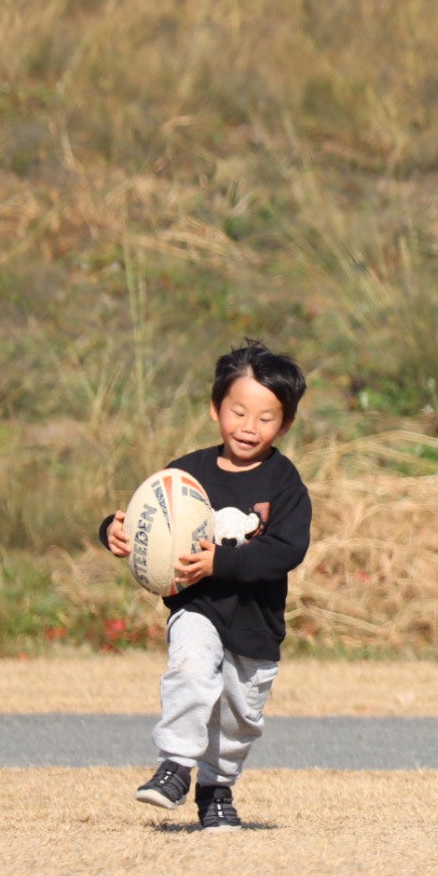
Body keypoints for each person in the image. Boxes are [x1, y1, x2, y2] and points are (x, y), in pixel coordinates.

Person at [100, 340, 312, 830]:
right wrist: (113, 530)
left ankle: (216, 790)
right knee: (190, 667)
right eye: (238, 411)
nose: (249, 427)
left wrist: (223, 561)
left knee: (240, 721)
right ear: (216, 408)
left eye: (266, 418)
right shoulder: (184, 473)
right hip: (197, 606)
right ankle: (174, 765)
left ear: (284, 424)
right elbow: (146, 519)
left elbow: (287, 549)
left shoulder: (284, 482)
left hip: (256, 622)